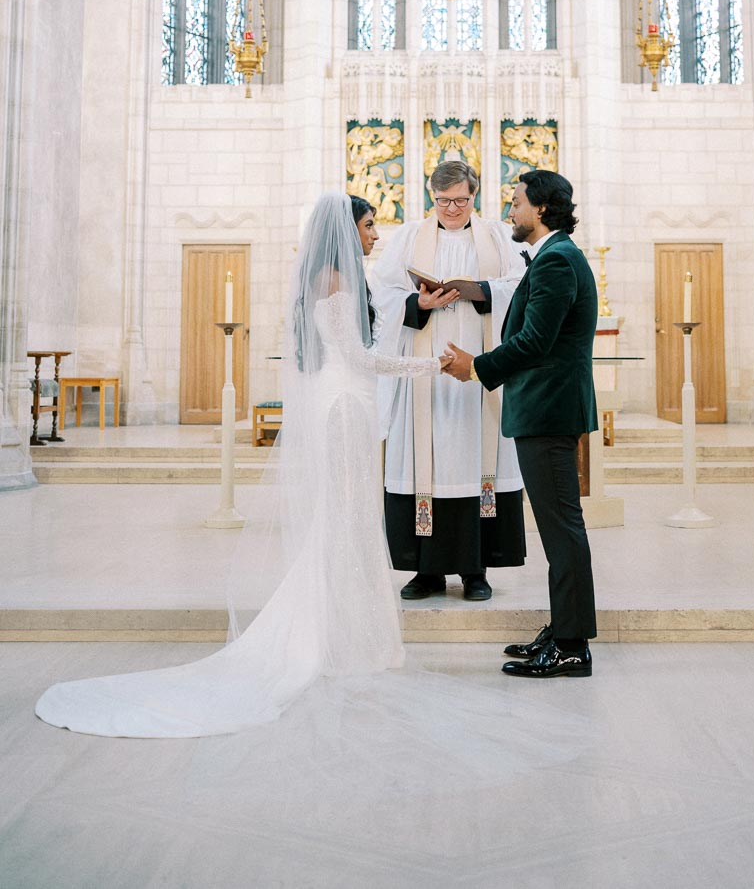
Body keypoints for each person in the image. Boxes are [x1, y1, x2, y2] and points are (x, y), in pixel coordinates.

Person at [34, 192, 439, 737]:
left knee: (343, 520)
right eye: (368, 227)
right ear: (346, 232)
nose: (374, 236)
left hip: (340, 403)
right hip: (345, 407)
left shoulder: (323, 282)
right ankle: (334, 638)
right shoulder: (339, 284)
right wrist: (432, 364)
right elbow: (362, 359)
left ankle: (338, 634)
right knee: (345, 521)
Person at [441, 170, 598, 678]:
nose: (510, 210)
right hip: (543, 408)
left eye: (517, 202)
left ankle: (572, 644)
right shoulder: (554, 257)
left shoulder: (556, 261)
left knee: (562, 529)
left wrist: (477, 367)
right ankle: (562, 629)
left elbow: (535, 342)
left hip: (548, 410)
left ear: (543, 209)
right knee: (558, 529)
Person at [371, 160, 525, 602]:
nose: (453, 209)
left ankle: (475, 570)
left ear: (474, 195)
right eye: (443, 201)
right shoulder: (407, 238)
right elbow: (381, 294)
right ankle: (426, 572)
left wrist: (483, 292)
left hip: (479, 376)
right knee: (424, 467)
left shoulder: (497, 236)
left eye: (461, 200)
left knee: (478, 463)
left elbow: (521, 285)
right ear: (430, 197)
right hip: (423, 378)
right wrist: (416, 302)